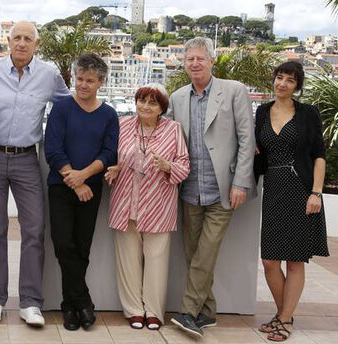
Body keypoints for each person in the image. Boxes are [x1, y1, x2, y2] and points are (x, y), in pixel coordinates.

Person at [0, 21, 70, 327]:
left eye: (28, 39)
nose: (22, 43)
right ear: (8, 41)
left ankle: (30, 302)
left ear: (36, 44)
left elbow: (68, 109)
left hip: (28, 159)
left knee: (34, 229)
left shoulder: (50, 75)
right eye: (17, 38)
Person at [168, 37, 256, 338]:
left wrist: (242, 181)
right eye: (189, 58)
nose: (194, 63)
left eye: (200, 59)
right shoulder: (177, 97)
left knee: (205, 253)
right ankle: (208, 312)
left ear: (211, 61)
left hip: (223, 189)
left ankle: (188, 312)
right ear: (184, 62)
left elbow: (247, 139)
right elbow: (168, 138)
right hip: (189, 190)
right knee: (193, 255)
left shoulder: (233, 91)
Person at [254, 61, 329, 342]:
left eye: (289, 80)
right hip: (273, 188)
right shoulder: (262, 112)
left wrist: (316, 193)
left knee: (295, 260)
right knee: (270, 261)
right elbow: (258, 151)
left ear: (297, 86)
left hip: (301, 189)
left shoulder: (308, 113)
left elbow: (319, 154)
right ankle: (283, 312)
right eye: (279, 77)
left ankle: (284, 319)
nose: (282, 84)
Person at [104, 84, 189, 331]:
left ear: (162, 108)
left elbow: (184, 166)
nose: (145, 106)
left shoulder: (173, 130)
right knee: (127, 262)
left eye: (152, 103)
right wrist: (115, 167)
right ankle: (133, 311)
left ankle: (153, 312)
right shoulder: (123, 125)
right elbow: (111, 155)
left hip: (158, 206)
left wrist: (168, 166)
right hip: (125, 203)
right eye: (142, 101)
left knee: (157, 262)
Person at [44, 53, 119, 331]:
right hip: (61, 187)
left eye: (89, 80)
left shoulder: (109, 114)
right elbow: (52, 148)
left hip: (91, 189)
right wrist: (75, 180)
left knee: (81, 246)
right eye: (79, 79)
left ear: (101, 82)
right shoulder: (62, 108)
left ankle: (70, 307)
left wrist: (85, 177)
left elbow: (110, 152)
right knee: (63, 244)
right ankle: (83, 302)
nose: (83, 85)